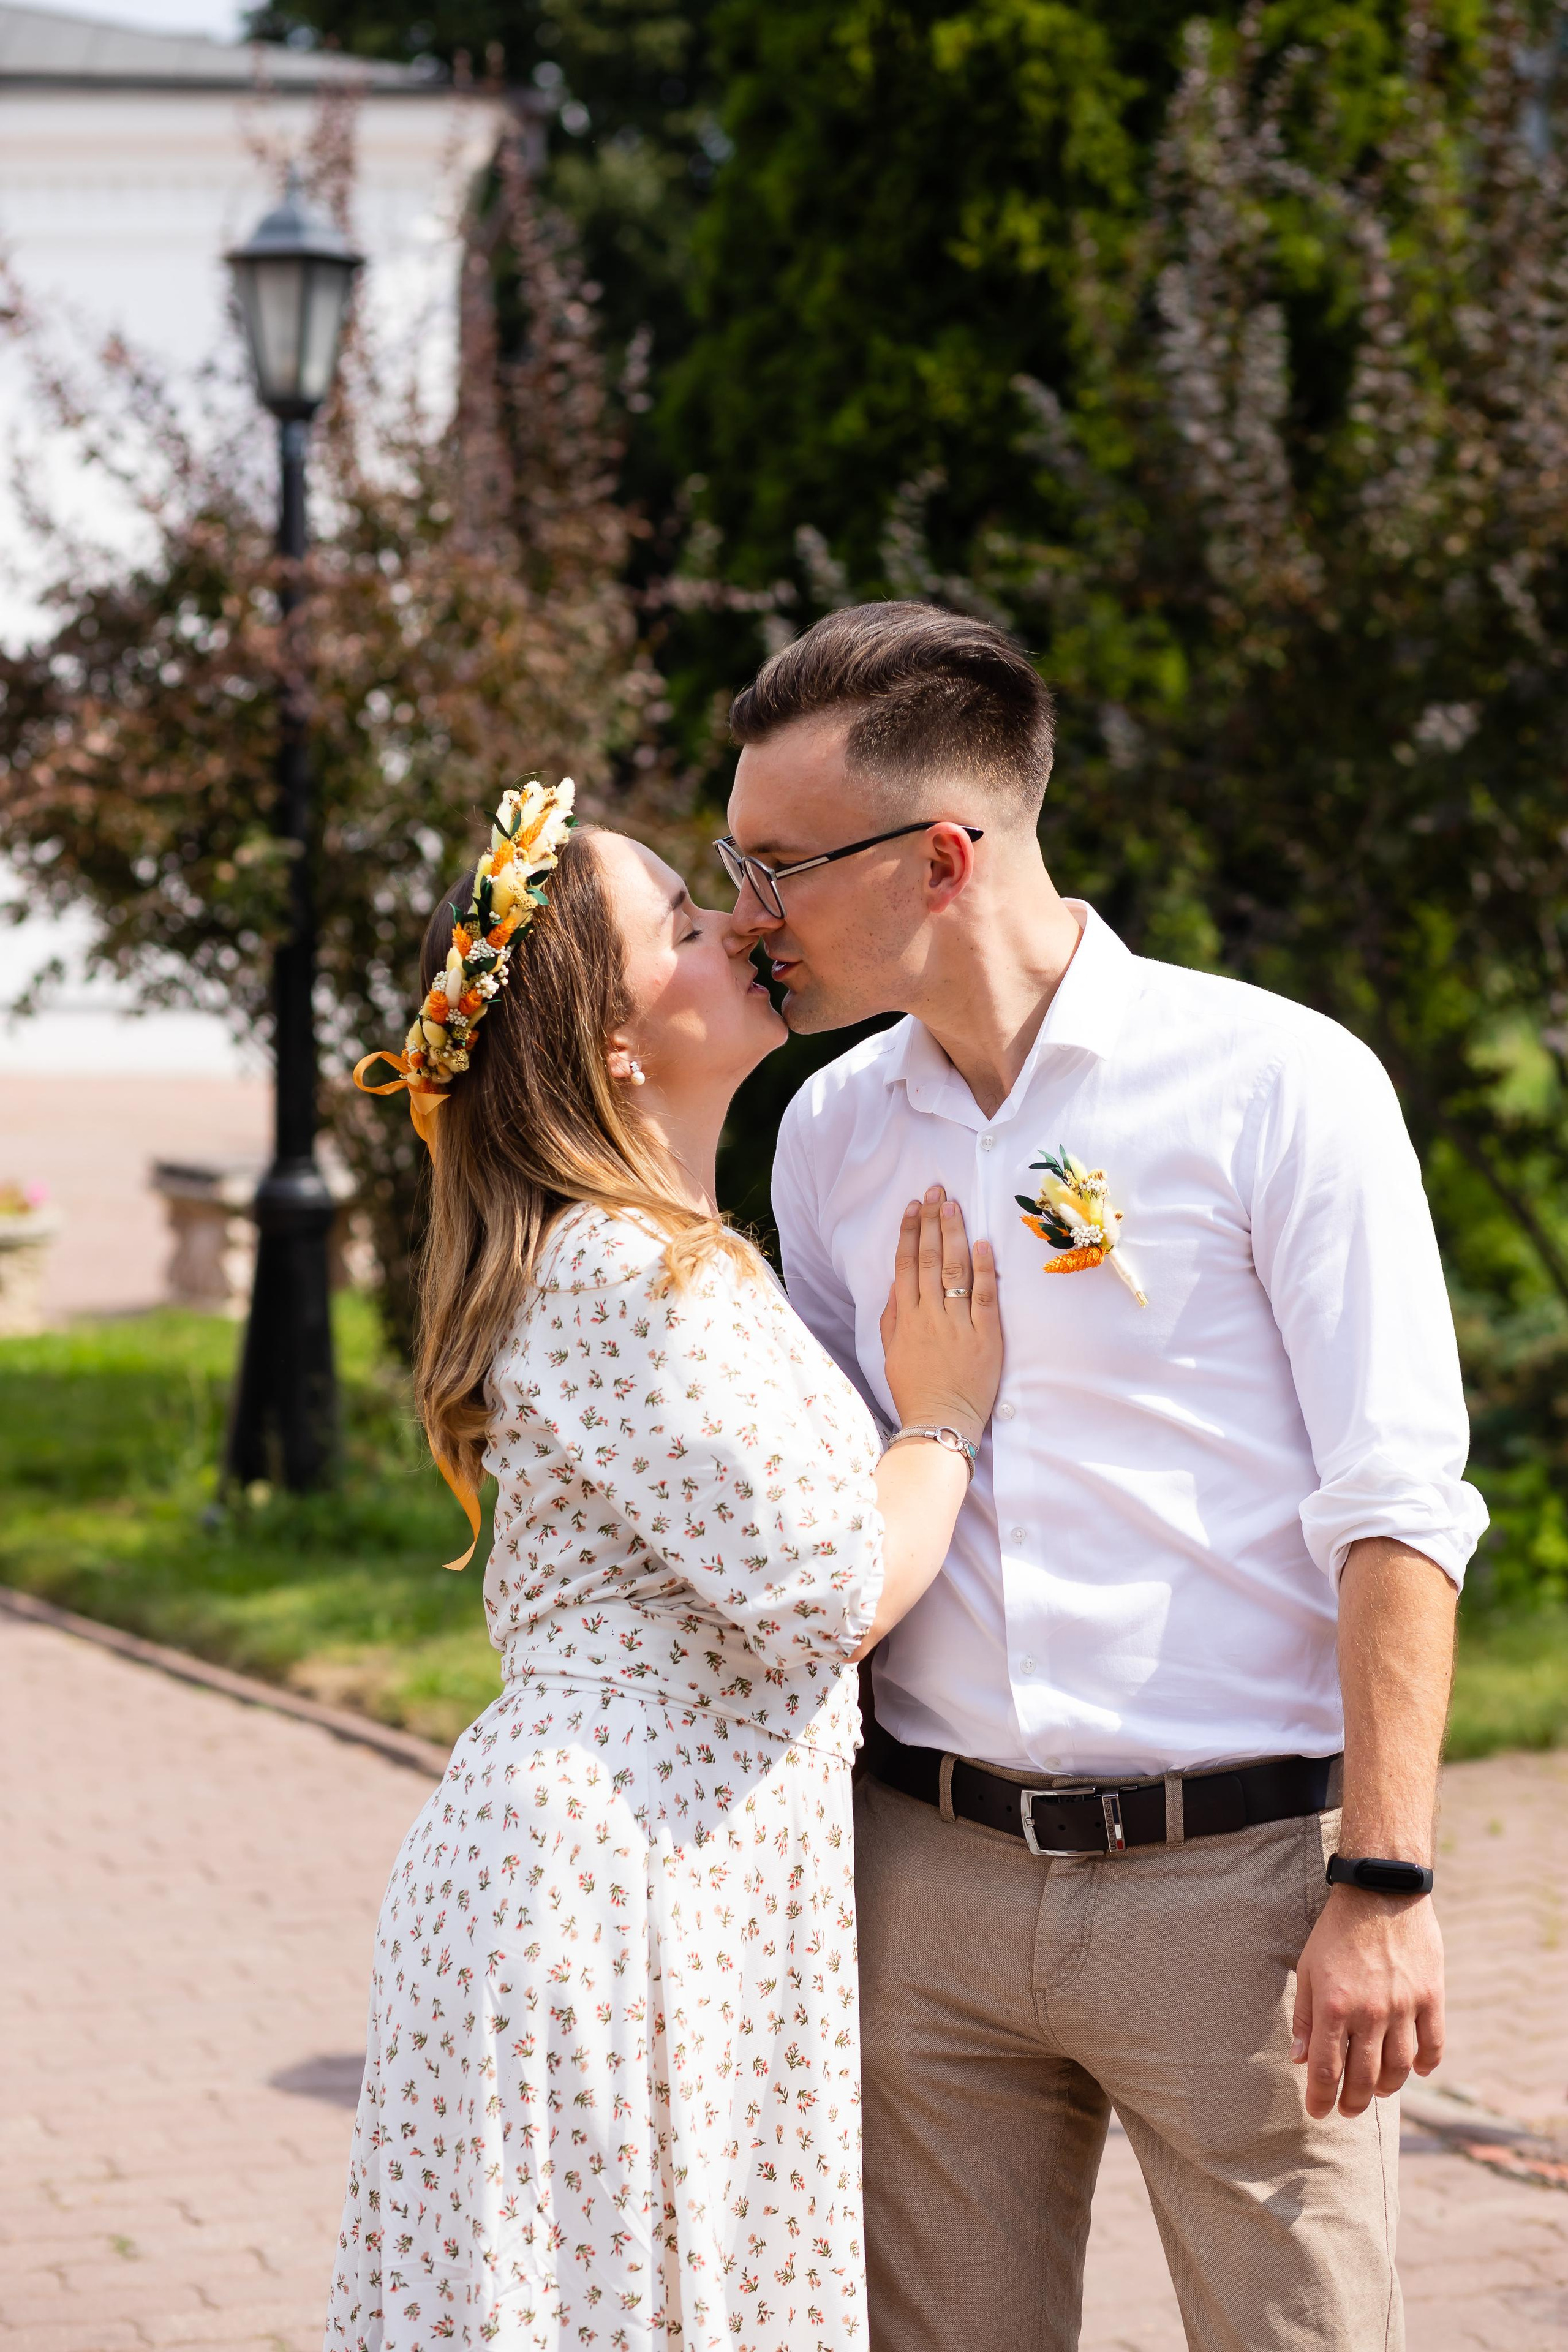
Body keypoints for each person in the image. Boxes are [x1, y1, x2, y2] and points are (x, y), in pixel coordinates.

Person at [722, 603, 1488, 2352]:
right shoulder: (832, 1134)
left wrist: (1384, 1884)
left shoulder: (1281, 1084)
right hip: (927, 1883)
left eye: (777, 866)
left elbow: (1397, 1500)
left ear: (938, 857)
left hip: (1246, 1900)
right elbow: (835, 1521)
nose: (748, 914)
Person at [326, 782, 1002, 2352]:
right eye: (686, 925)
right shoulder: (630, 1270)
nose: (741, 923)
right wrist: (943, 1423)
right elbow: (831, 1587)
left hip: (657, 1878)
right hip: (617, 1896)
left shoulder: (655, 1254)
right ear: (616, 1041)